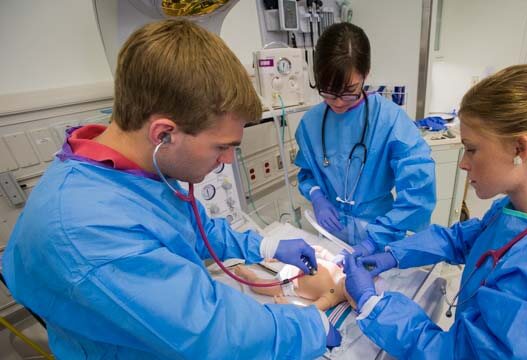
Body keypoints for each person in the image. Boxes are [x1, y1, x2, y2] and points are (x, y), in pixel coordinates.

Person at [1, 19, 340, 359]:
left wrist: (265, 244)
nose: (224, 161)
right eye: (221, 146)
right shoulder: (87, 229)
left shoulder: (135, 171)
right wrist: (314, 327)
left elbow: (192, 228)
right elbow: (214, 333)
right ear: (164, 133)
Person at [343, 63, 527, 358]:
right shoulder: (519, 214)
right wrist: (396, 253)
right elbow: (463, 239)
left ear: (519, 149)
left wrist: (374, 305)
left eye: (472, 148)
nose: (463, 163)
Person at [294, 22, 436, 255]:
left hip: (380, 233)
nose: (338, 102)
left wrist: (376, 240)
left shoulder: (389, 120)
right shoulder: (311, 124)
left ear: (366, 74)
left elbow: (418, 189)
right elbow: (307, 172)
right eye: (328, 91)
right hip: (331, 234)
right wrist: (316, 195)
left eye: (349, 91)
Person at [233, 246, 362, 311]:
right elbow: (322, 251)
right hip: (298, 261)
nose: (353, 278)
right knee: (289, 252)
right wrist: (308, 250)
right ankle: (276, 257)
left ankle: (247, 275)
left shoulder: (331, 298)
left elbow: (309, 311)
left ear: (352, 303)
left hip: (287, 284)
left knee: (258, 286)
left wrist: (287, 306)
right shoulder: (342, 268)